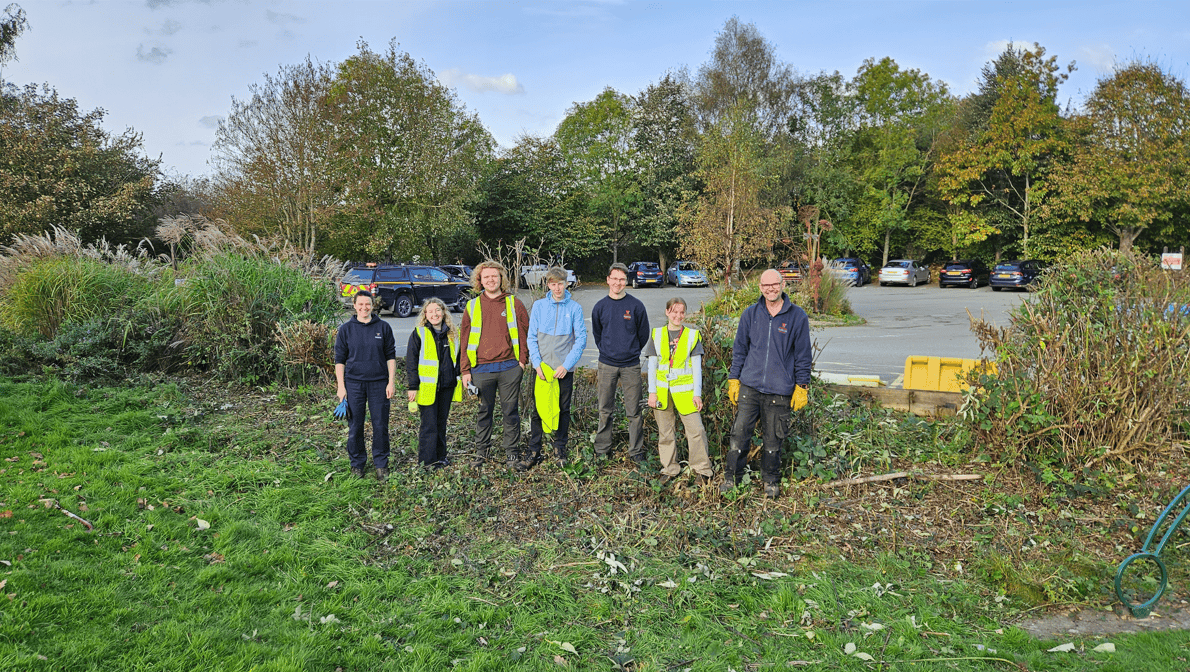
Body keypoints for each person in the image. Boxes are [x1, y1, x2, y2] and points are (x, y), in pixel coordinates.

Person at [723, 269, 812, 498]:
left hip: (779, 390)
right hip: (750, 387)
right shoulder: (750, 314)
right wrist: (734, 378)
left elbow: (803, 355)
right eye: (765, 285)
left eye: (774, 284)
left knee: (773, 440)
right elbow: (740, 350)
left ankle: (770, 480)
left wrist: (802, 386)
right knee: (739, 435)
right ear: (760, 288)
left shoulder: (797, 317)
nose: (770, 289)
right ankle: (731, 478)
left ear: (783, 285)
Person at [459, 260, 530, 470]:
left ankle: (512, 453)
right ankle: (482, 452)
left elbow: (525, 334)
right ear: (479, 281)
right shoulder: (472, 306)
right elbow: (464, 341)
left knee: (510, 412)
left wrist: (522, 362)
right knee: (484, 412)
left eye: (494, 276)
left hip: (509, 368)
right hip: (481, 369)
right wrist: (465, 370)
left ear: (501, 279)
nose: (491, 280)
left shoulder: (514, 303)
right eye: (486, 277)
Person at [646, 297, 714, 485]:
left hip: (686, 393)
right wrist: (652, 392)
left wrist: (697, 394)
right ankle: (670, 469)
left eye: (682, 312)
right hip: (661, 393)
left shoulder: (692, 336)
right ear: (667, 312)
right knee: (665, 433)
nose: (678, 315)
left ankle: (702, 469)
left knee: (696, 430)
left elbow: (697, 368)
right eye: (674, 311)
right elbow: (652, 366)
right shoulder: (657, 334)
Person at [524, 267, 587, 470]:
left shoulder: (575, 308)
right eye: (553, 284)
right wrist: (537, 364)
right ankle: (534, 449)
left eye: (560, 284)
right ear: (548, 285)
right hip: (542, 369)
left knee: (563, 409)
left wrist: (566, 366)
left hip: (563, 370)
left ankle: (560, 447)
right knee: (537, 410)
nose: (557, 288)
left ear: (567, 283)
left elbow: (581, 340)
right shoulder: (539, 306)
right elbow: (531, 337)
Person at [591, 262, 650, 467]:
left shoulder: (636, 306)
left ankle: (636, 451)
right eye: (614, 278)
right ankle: (602, 449)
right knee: (605, 409)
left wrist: (631, 351)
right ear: (608, 280)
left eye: (622, 279)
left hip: (630, 365)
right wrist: (607, 350)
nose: (618, 283)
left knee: (634, 411)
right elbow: (597, 334)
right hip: (607, 364)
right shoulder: (600, 307)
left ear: (627, 281)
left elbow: (643, 334)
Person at [334, 290, 397, 481]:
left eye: (367, 304)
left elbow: (391, 357)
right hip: (354, 384)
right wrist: (341, 386)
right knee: (355, 426)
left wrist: (391, 382)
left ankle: (381, 464)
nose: (364, 307)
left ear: (372, 305)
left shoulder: (383, 327)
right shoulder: (346, 330)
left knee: (380, 425)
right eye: (360, 304)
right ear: (354, 305)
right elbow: (339, 360)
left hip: (379, 384)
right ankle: (357, 464)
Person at [406, 298, 461, 469]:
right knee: (429, 425)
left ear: (444, 312)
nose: (434, 314)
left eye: (437, 310)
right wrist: (412, 386)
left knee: (441, 424)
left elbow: (458, 359)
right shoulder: (419, 333)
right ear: (425, 314)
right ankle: (427, 462)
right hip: (426, 387)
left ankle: (441, 457)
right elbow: (411, 362)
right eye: (430, 311)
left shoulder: (454, 334)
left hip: (447, 386)